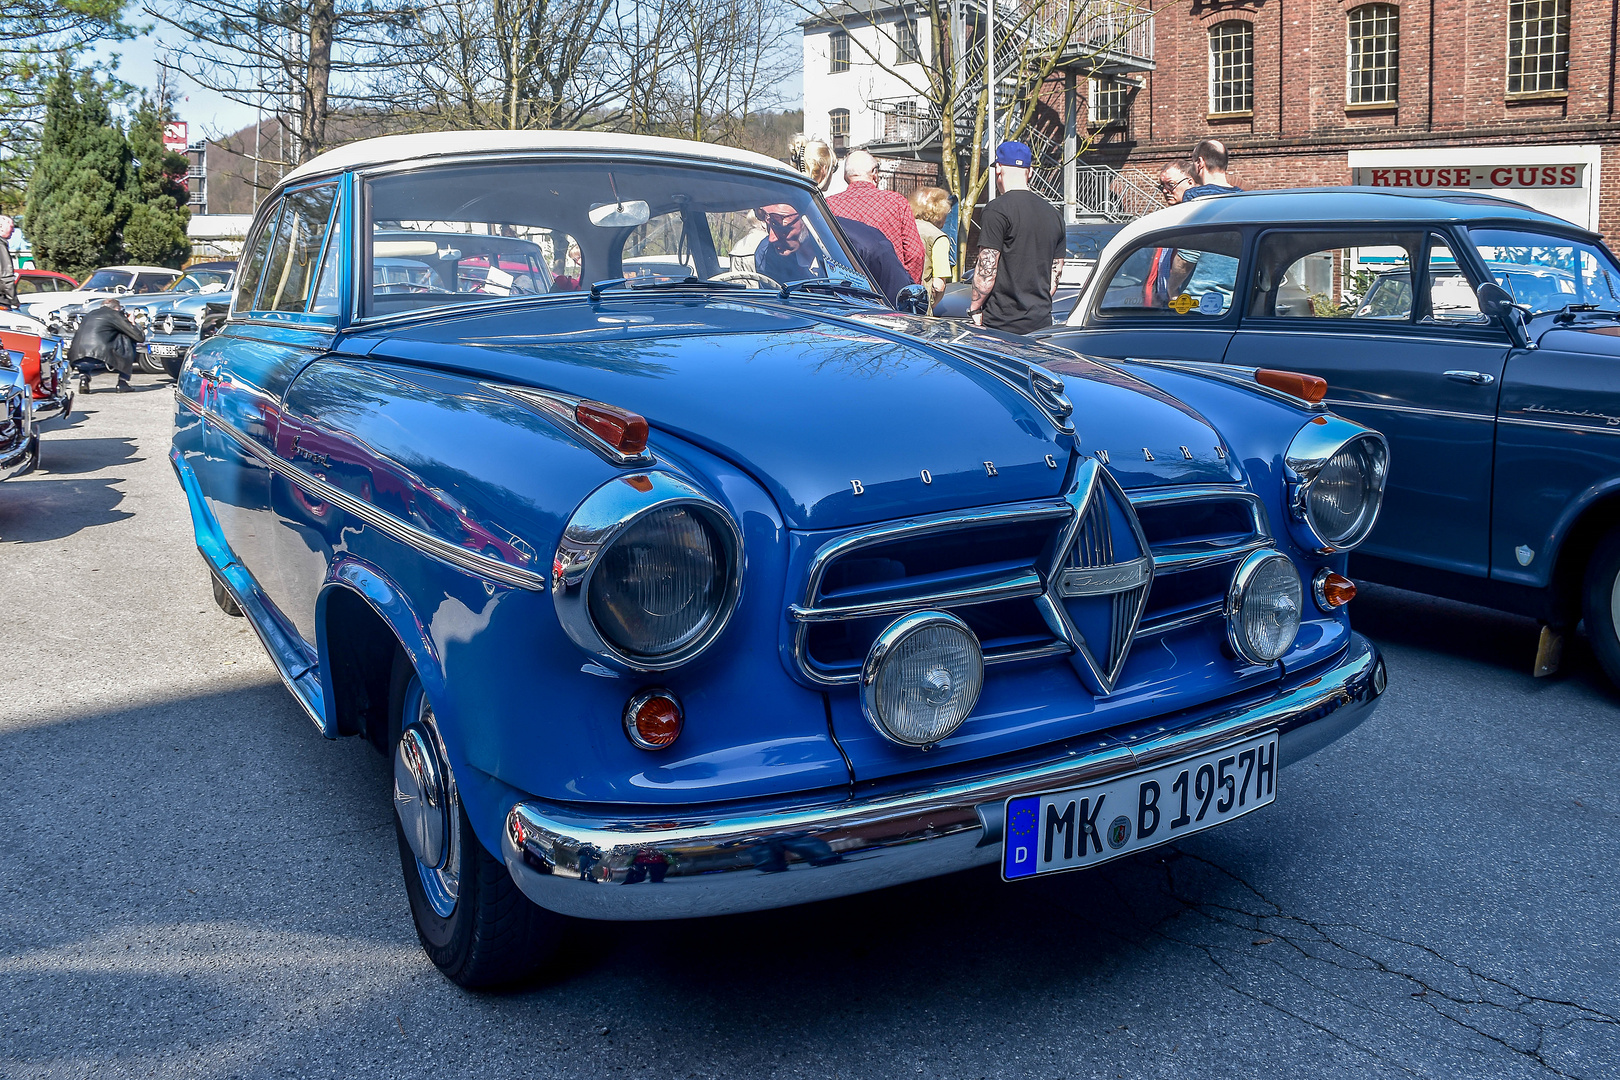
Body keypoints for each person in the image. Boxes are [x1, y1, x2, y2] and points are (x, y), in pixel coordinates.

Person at [966, 140, 1066, 334]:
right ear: (1030, 172)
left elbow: (987, 270)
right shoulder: (1054, 214)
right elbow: (1055, 274)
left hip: (1001, 326)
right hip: (1041, 324)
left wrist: (974, 308)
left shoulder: (997, 210)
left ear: (998, 169)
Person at [752, 202, 912, 307]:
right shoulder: (767, 254)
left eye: (781, 226)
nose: (772, 238)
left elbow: (900, 310)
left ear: (807, 217)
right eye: (768, 225)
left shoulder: (867, 249)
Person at [825, 149, 924, 284]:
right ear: (874, 173)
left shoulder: (829, 205)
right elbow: (915, 254)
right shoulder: (896, 202)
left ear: (845, 176)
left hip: (846, 290)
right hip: (889, 290)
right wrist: (907, 289)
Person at [1143, 160, 1195, 306]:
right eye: (1162, 186)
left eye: (1171, 185)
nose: (1165, 191)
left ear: (1190, 182)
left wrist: (1172, 291)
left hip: (1185, 305)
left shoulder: (1198, 220)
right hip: (1162, 306)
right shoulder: (1167, 220)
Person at [68, 297, 144, 393]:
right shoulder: (114, 314)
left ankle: (84, 378)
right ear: (117, 308)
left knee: (84, 348)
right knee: (129, 339)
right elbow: (139, 337)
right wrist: (132, 323)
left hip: (77, 358)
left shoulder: (90, 314)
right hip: (100, 359)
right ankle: (122, 382)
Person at [909, 186, 953, 308]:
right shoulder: (938, 237)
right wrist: (931, 306)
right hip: (919, 304)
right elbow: (939, 286)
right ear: (940, 212)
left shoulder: (902, 228)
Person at [0, 216, 16, 310]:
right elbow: (6, 276)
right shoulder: (1, 245)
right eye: (11, 227)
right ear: (0, 226)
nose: (13, 230)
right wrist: (13, 300)